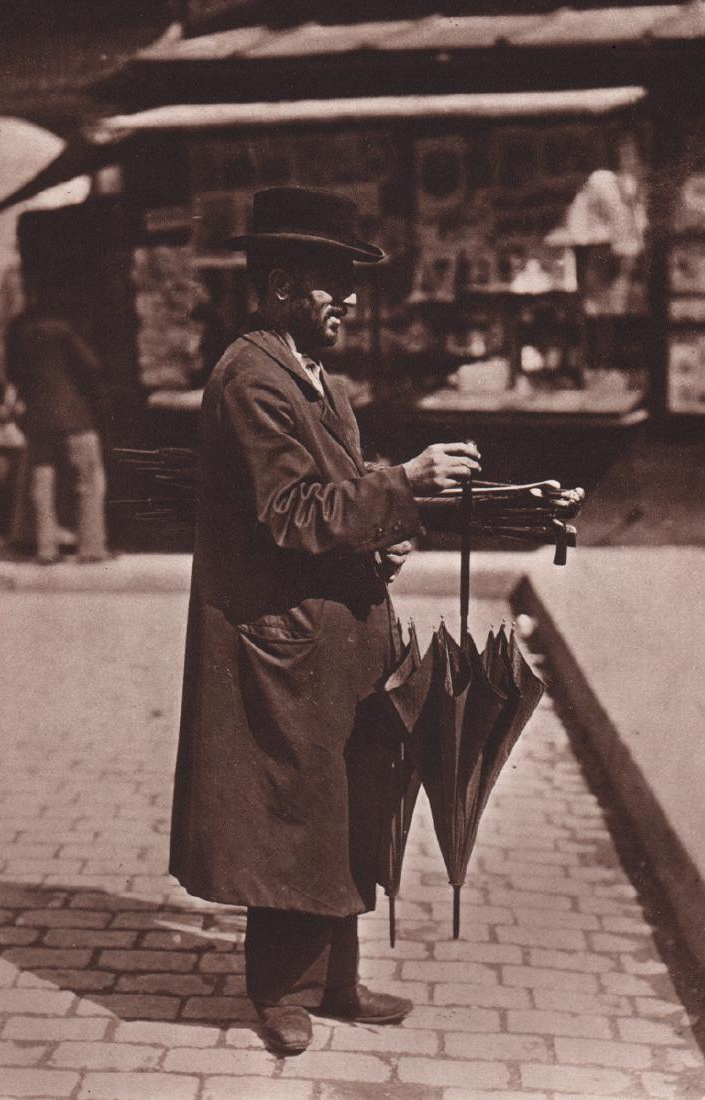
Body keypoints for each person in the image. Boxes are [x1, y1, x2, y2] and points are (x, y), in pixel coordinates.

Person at [169, 186, 481, 1054]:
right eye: (330, 283)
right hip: (282, 641)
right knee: (291, 811)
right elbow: (293, 512)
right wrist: (405, 482)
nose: (348, 298)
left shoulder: (315, 380)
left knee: (346, 802)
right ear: (276, 286)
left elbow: (338, 505)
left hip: (330, 633)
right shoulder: (249, 379)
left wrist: (387, 531)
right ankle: (282, 991)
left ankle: (337, 981)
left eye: (351, 282)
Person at [4, 292, 110, 564]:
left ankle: (46, 548)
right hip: (75, 419)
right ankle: (91, 548)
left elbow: (14, 375)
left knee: (42, 484)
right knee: (88, 480)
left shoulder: (20, 333)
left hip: (38, 420)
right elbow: (92, 365)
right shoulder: (65, 331)